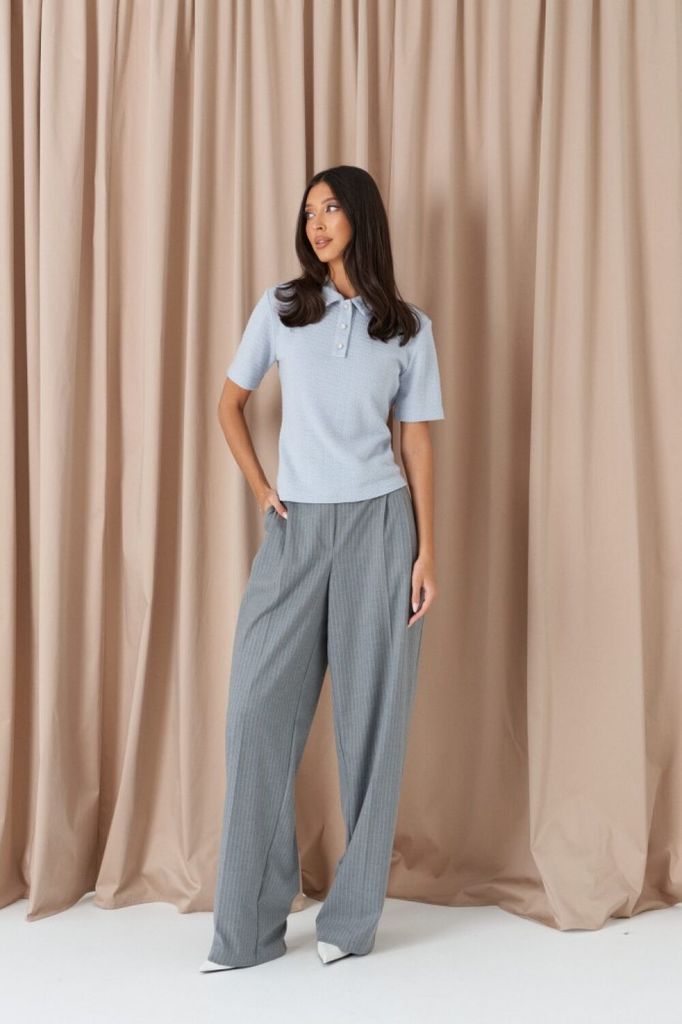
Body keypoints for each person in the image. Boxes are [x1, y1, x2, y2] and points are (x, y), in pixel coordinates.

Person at [201, 165, 445, 972]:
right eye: (309, 210)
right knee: (254, 712)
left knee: (373, 725)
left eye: (332, 207)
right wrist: (261, 487)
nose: (317, 222)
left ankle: (349, 922)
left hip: (380, 527)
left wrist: (428, 551)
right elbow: (229, 403)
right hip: (296, 527)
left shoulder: (407, 327)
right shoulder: (282, 307)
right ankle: (245, 930)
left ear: (361, 218)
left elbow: (415, 440)